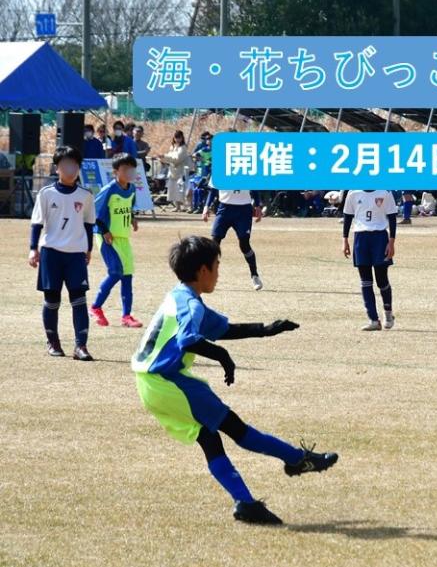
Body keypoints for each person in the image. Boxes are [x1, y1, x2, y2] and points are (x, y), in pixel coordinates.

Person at [132, 236, 337, 525]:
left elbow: (224, 329)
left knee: (209, 437)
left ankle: (247, 502)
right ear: (203, 271)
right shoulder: (191, 304)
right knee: (236, 429)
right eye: (217, 266)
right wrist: (222, 356)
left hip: (151, 385)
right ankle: (295, 459)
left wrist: (266, 330)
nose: (219, 272)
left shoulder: (179, 296)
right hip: (168, 382)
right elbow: (188, 339)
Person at [27, 146, 96, 360]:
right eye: (66, 165)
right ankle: (53, 342)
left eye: (74, 165)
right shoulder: (46, 194)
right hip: (51, 253)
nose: (70, 169)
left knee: (79, 300)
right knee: (52, 300)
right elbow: (37, 223)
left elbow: (88, 224)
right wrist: (33, 249)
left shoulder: (85, 196)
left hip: (76, 254)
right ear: (57, 168)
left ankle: (81, 346)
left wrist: (88, 249)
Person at [90, 154, 143, 329]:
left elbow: (130, 207)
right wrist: (104, 231)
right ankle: (96, 307)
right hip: (107, 237)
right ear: (115, 171)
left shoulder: (132, 189)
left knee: (127, 276)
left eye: (132, 169)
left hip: (123, 238)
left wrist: (133, 217)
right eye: (125, 169)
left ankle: (126, 316)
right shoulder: (110, 189)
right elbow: (93, 212)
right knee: (115, 273)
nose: (129, 172)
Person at [342, 190, 398, 331]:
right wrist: (345, 240)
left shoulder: (385, 192)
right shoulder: (353, 193)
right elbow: (348, 217)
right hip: (361, 238)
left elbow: (392, 218)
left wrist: (391, 242)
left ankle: (388, 313)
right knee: (365, 281)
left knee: (381, 279)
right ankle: (373, 319)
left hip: (379, 237)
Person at [203, 181, 264, 291]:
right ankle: (207, 276)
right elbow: (213, 189)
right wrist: (206, 206)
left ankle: (254, 275)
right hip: (224, 208)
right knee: (214, 243)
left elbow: (254, 188)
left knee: (244, 244)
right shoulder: (220, 168)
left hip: (243, 210)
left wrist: (258, 206)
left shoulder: (247, 168)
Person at [160, 130, 192, 211]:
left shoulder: (183, 148)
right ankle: (177, 206)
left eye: (179, 137)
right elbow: (169, 158)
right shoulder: (172, 147)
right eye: (176, 137)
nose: (177, 139)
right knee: (173, 189)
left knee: (181, 190)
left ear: (182, 138)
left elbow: (177, 159)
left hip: (181, 172)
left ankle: (185, 206)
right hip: (172, 171)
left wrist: (164, 157)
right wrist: (162, 159)